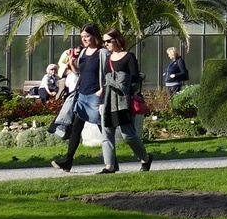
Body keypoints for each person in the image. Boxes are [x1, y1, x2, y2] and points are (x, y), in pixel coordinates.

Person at [52, 24, 107, 173]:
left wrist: (102, 90)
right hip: (82, 93)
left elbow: (107, 73)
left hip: (95, 94)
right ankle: (68, 160)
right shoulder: (83, 52)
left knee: (104, 129)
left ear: (95, 36)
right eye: (82, 37)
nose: (84, 40)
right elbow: (80, 73)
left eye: (87, 36)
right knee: (76, 127)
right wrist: (73, 66)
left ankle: (111, 162)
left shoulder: (102, 52)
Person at [97, 29, 152, 174]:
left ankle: (145, 158)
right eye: (104, 42)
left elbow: (134, 79)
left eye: (108, 41)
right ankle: (109, 166)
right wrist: (102, 103)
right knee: (107, 133)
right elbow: (105, 82)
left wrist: (121, 82)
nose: (106, 44)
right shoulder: (107, 58)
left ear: (117, 39)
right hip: (109, 99)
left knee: (128, 134)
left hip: (123, 100)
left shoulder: (129, 57)